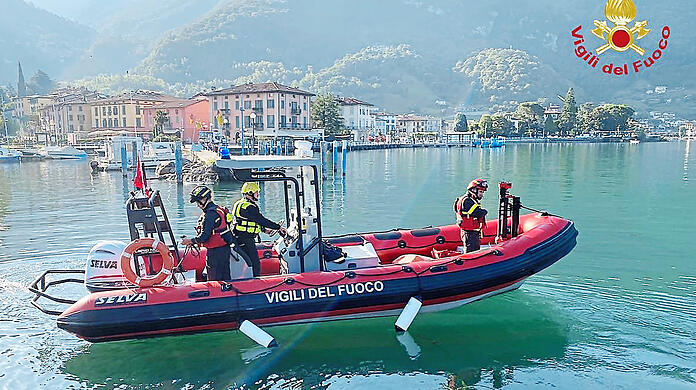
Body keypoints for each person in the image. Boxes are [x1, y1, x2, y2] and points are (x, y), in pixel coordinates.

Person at [232, 182, 287, 277]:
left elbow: (251, 220)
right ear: (250, 193)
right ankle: (256, 281)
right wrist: (278, 227)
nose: (258, 194)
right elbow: (261, 220)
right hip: (246, 239)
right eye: (256, 192)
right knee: (255, 262)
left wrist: (264, 230)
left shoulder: (239, 203)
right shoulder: (250, 207)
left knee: (248, 260)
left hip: (239, 236)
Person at [182, 185, 235, 281]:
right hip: (224, 249)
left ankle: (216, 294)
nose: (197, 205)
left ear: (204, 199)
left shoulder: (209, 215)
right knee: (225, 276)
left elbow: (204, 237)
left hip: (215, 253)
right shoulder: (219, 210)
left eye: (198, 202)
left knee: (214, 278)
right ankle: (227, 293)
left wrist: (190, 241)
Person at [453, 178, 489, 253]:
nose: (482, 194)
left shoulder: (467, 199)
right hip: (469, 233)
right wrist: (484, 211)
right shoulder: (467, 201)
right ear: (473, 190)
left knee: (474, 249)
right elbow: (476, 212)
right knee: (472, 252)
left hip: (471, 232)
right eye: (480, 192)